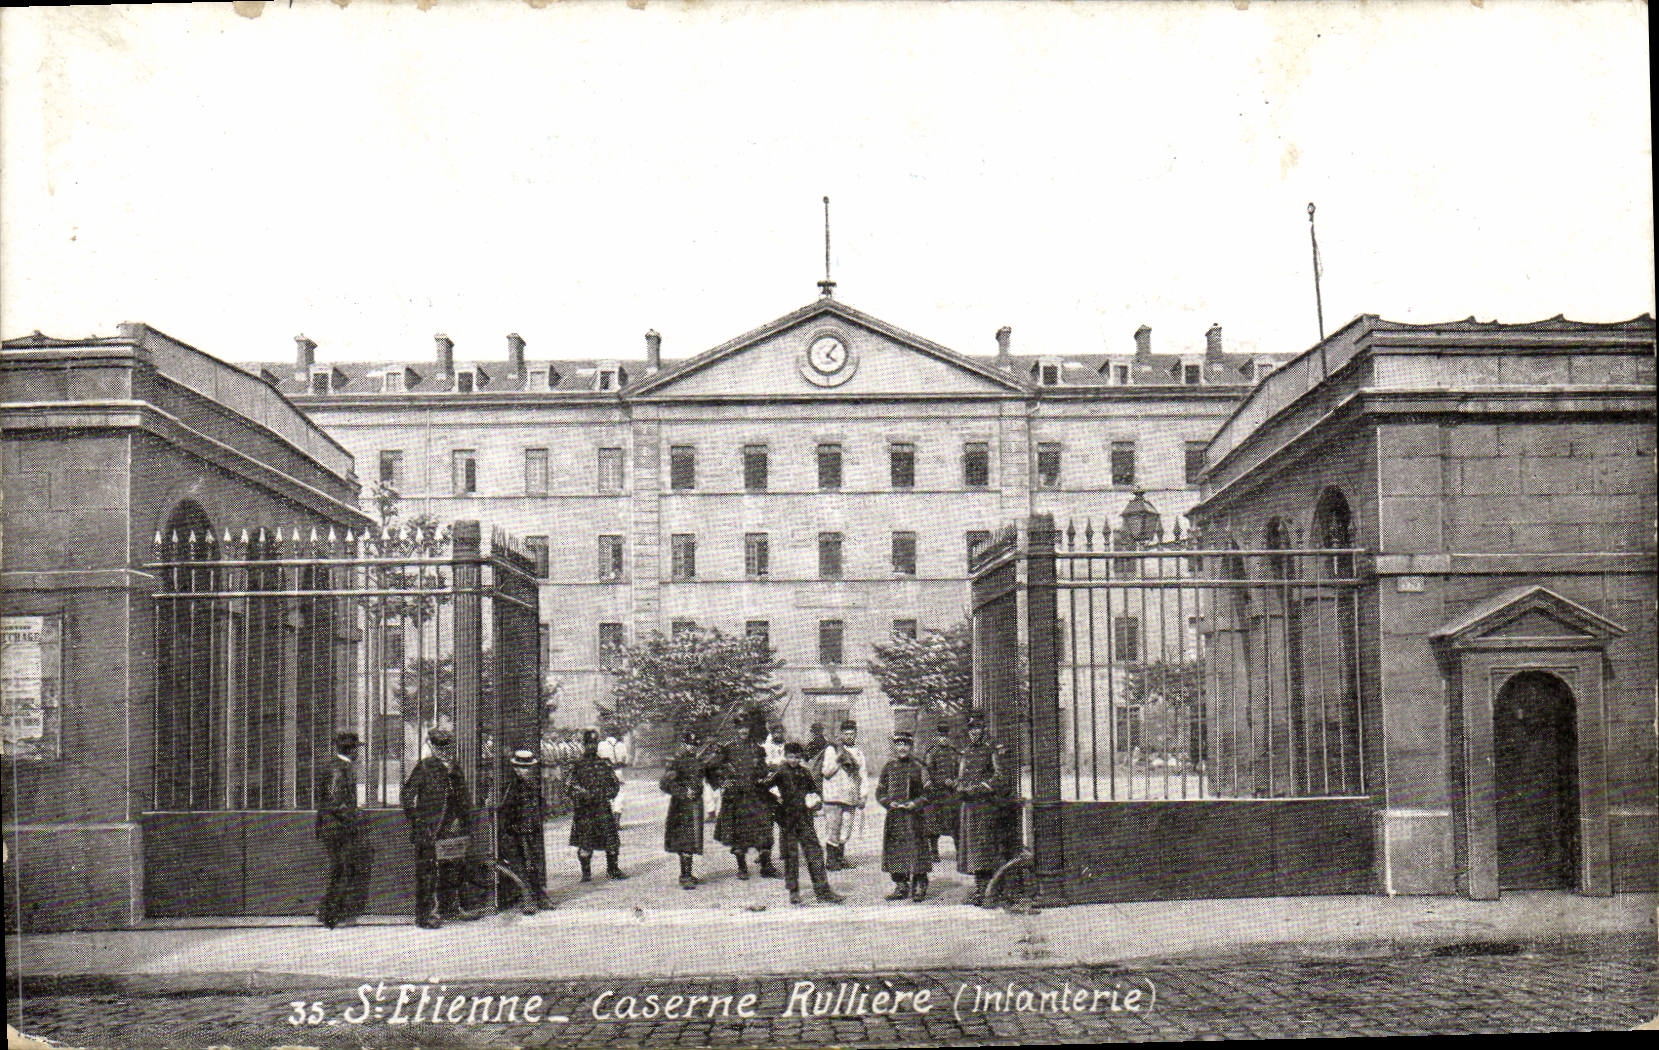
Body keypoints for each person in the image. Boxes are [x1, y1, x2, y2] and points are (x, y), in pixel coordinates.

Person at [401, 727, 480, 928]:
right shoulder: (425, 767)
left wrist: (466, 821)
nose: (444, 751)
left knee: (454, 869)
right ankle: (426, 915)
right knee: (428, 873)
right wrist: (418, 822)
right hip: (430, 830)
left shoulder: (455, 768)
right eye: (439, 748)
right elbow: (407, 796)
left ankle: (452, 908)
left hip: (452, 828)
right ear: (433, 748)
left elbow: (463, 798)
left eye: (447, 747)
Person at [762, 741, 844, 905]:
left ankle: (823, 891)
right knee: (791, 857)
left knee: (815, 854)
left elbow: (814, 790)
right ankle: (793, 891)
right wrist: (776, 804)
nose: (794, 760)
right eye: (791, 757)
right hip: (788, 821)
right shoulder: (780, 772)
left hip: (805, 819)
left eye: (797, 757)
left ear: (801, 757)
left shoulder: (805, 772)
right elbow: (763, 789)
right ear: (785, 756)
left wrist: (816, 801)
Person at [713, 709, 780, 879]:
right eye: (740, 727)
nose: (744, 730)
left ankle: (766, 865)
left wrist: (765, 772)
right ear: (736, 729)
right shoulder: (727, 749)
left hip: (756, 794)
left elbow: (762, 770)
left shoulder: (757, 749)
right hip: (737, 796)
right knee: (739, 832)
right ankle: (742, 868)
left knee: (764, 827)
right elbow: (715, 769)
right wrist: (723, 781)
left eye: (746, 727)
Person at [316, 730, 370, 928]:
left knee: (340, 869)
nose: (359, 753)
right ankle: (332, 915)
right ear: (352, 750)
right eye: (357, 749)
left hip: (333, 827)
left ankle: (328, 912)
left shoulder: (336, 766)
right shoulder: (340, 769)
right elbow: (336, 802)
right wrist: (355, 817)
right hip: (338, 829)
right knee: (342, 870)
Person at [955, 711, 1010, 906]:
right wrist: (959, 787)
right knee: (972, 848)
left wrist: (980, 788)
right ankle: (980, 889)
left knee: (984, 847)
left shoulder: (990, 751)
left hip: (984, 806)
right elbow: (960, 776)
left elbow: (999, 776)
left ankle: (990, 890)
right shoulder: (965, 752)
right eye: (971, 728)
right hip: (968, 807)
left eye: (977, 727)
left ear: (983, 729)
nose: (974, 732)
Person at [876, 731, 933, 901]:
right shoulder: (889, 767)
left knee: (916, 849)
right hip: (895, 817)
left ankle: (920, 884)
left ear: (911, 746)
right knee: (895, 850)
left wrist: (915, 803)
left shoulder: (919, 766)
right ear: (895, 746)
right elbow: (880, 791)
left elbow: (929, 793)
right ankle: (901, 885)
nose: (902, 748)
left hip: (914, 817)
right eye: (899, 744)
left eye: (905, 744)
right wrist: (888, 803)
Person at [568, 728, 628, 881]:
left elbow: (614, 784)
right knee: (585, 843)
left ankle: (613, 869)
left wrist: (607, 794)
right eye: (589, 743)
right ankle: (586, 873)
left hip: (602, 808)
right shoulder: (577, 765)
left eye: (594, 743)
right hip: (585, 810)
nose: (592, 747)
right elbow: (569, 786)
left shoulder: (604, 763)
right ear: (584, 744)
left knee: (611, 841)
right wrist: (582, 795)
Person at [497, 748, 551, 911]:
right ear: (515, 768)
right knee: (519, 866)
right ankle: (528, 898)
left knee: (533, 863)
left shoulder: (532, 785)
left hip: (530, 831)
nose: (524, 771)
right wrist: (512, 829)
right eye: (520, 768)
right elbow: (504, 812)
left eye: (527, 768)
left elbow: (540, 805)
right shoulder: (511, 787)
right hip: (514, 833)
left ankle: (539, 895)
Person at [660, 729, 714, 889]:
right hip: (681, 806)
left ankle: (687, 873)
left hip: (695, 804)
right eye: (689, 744)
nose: (692, 747)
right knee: (684, 838)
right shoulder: (676, 761)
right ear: (684, 744)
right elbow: (665, 783)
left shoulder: (699, 761)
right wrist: (684, 791)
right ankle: (685, 876)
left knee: (693, 838)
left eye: (695, 745)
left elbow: (712, 777)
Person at [818, 719, 868, 870]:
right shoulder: (832, 750)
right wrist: (839, 759)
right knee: (833, 828)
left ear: (856, 734)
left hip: (850, 796)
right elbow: (826, 772)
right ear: (841, 734)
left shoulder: (858, 753)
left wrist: (863, 795)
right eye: (846, 734)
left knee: (846, 829)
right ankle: (831, 860)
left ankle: (840, 857)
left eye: (852, 733)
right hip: (833, 796)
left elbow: (862, 775)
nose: (849, 736)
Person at [921, 720, 961, 862]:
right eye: (941, 736)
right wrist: (933, 782)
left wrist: (956, 781)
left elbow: (960, 771)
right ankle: (933, 851)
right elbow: (926, 771)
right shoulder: (932, 752)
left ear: (949, 737)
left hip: (951, 793)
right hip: (935, 793)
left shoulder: (954, 753)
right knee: (932, 822)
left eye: (945, 736)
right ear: (937, 737)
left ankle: (960, 851)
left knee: (956, 822)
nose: (943, 739)